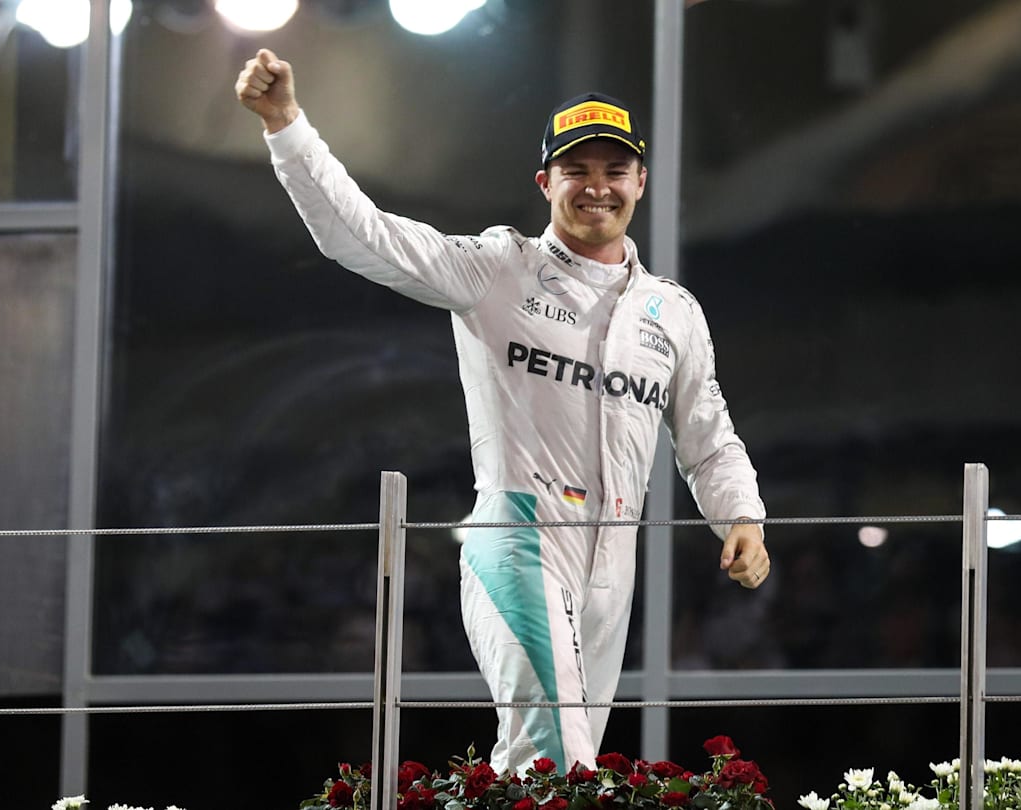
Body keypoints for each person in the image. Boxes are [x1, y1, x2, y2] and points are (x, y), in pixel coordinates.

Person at [235, 49, 770, 776]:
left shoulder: (672, 310)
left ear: (641, 181)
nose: (597, 187)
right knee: (560, 760)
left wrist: (741, 517)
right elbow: (360, 234)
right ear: (546, 181)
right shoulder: (498, 266)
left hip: (616, 554)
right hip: (519, 533)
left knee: (539, 771)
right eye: (577, 170)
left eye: (615, 170)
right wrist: (285, 125)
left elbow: (707, 435)